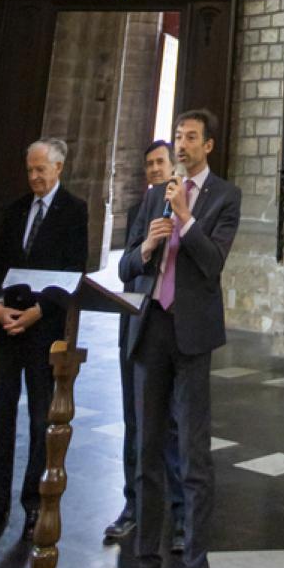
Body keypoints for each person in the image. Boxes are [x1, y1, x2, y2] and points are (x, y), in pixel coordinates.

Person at [115, 109, 241, 568]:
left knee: (191, 458)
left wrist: (186, 220)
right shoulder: (154, 194)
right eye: (179, 136)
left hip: (190, 336)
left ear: (208, 145)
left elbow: (212, 264)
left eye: (191, 138)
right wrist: (145, 247)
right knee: (146, 455)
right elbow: (125, 267)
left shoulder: (223, 198)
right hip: (150, 332)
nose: (182, 145)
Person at [0, 138, 89, 541]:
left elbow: (73, 270)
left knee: (38, 418)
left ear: (58, 168)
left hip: (43, 329)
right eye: (30, 169)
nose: (34, 176)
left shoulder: (74, 211)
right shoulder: (15, 210)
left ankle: (33, 503)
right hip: (7, 326)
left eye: (41, 170)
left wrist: (40, 312)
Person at [104, 137, 183, 546]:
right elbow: (124, 267)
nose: (153, 169)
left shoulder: (191, 206)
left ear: (174, 167)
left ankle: (179, 513)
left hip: (174, 328)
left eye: (160, 162)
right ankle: (133, 505)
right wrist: (147, 246)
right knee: (136, 422)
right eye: (148, 164)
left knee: (172, 424)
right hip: (138, 324)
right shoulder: (141, 209)